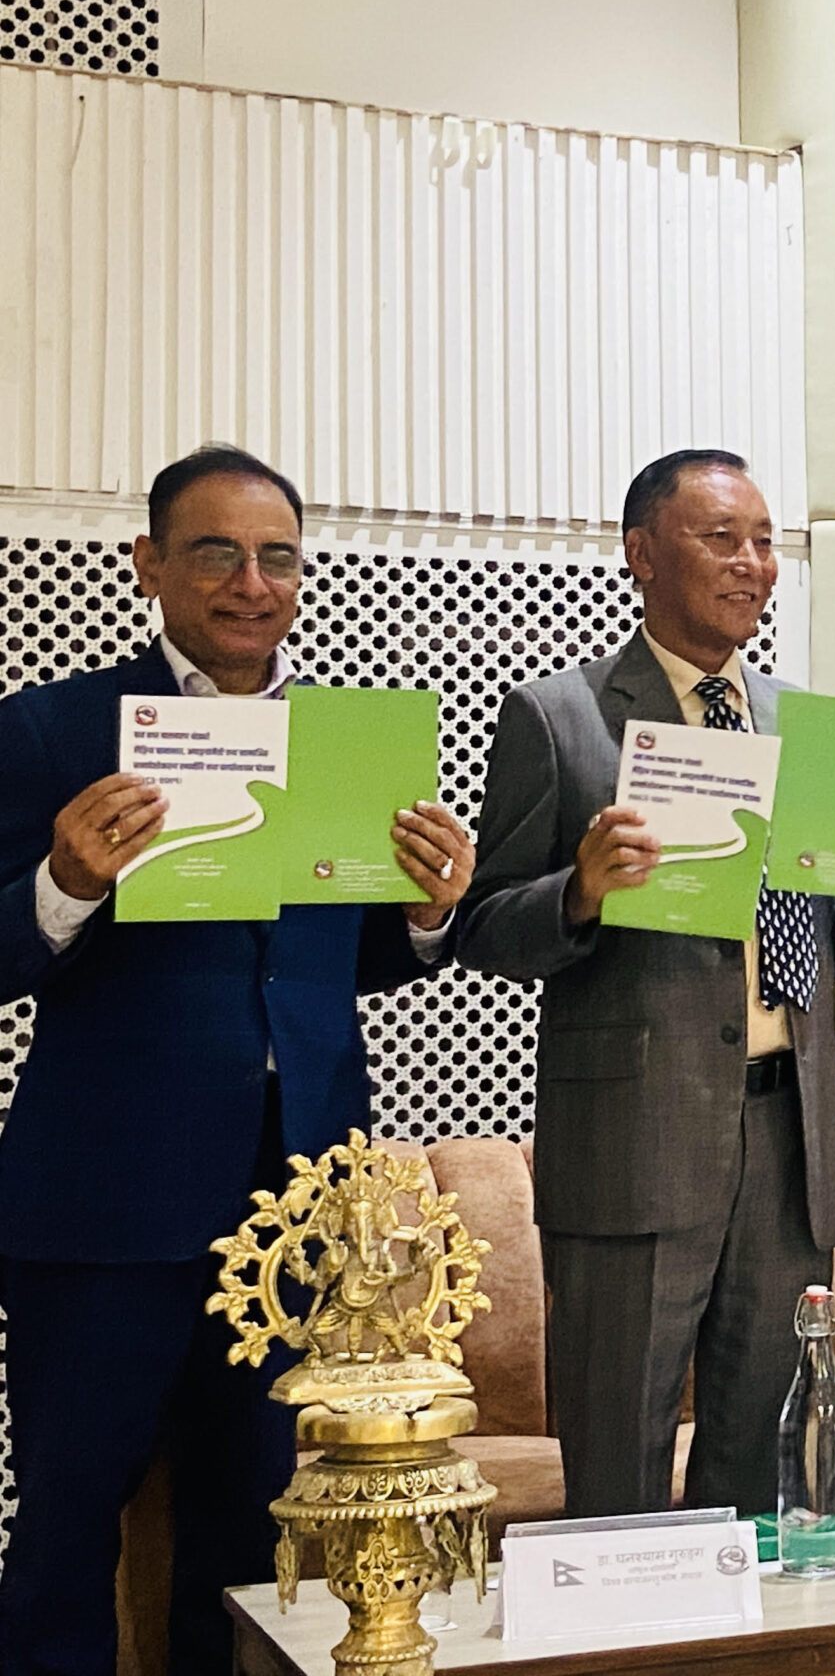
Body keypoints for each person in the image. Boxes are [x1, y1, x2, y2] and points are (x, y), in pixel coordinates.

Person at [0, 444, 475, 1676]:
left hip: (294, 1215)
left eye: (277, 558)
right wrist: (63, 883)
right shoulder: (53, 729)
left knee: (250, 1539)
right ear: (149, 564)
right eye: (215, 553)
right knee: (66, 1528)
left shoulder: (349, 745)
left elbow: (338, 966)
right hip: (104, 1208)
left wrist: (430, 913)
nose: (250, 584)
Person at [455, 448, 835, 1520]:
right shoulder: (560, 716)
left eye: (765, 542)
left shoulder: (808, 725)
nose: (753, 564)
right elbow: (482, 926)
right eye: (722, 539)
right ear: (642, 554)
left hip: (792, 1135)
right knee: (618, 1464)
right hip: (635, 1139)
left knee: (763, 1470)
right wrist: (578, 891)